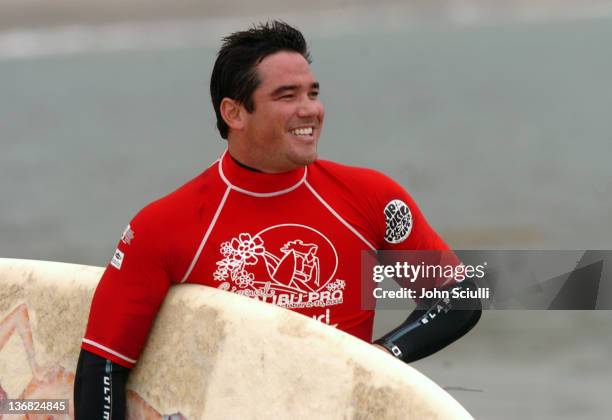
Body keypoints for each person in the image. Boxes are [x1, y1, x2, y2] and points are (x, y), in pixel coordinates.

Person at [74, 20, 481, 418]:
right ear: (234, 112)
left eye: (313, 93)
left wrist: (380, 356)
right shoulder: (163, 226)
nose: (310, 110)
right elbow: (104, 365)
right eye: (287, 96)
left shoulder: (369, 197)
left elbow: (458, 295)